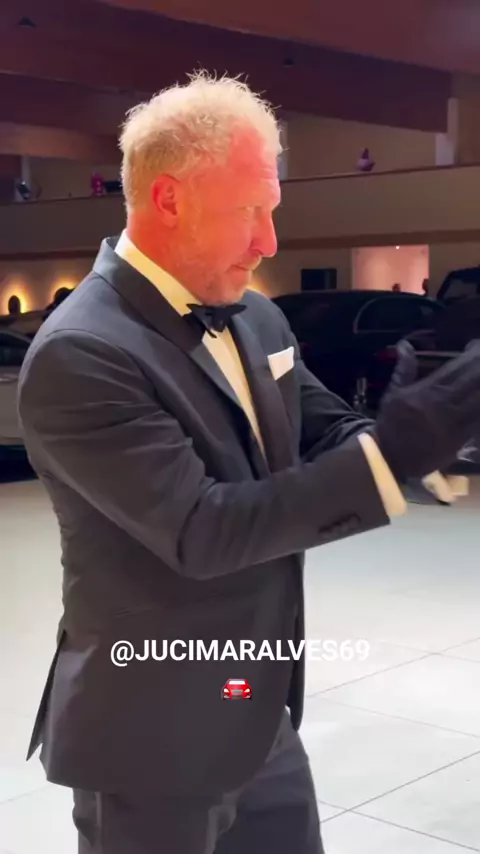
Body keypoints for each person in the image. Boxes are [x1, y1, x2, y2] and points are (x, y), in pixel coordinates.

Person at [17, 71, 480, 854]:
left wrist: (422, 438)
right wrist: (391, 454)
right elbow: (205, 531)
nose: (269, 242)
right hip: (149, 732)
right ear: (168, 199)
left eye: (273, 209)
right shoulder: (82, 351)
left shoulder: (257, 316)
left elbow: (325, 430)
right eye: (250, 212)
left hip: (257, 707)